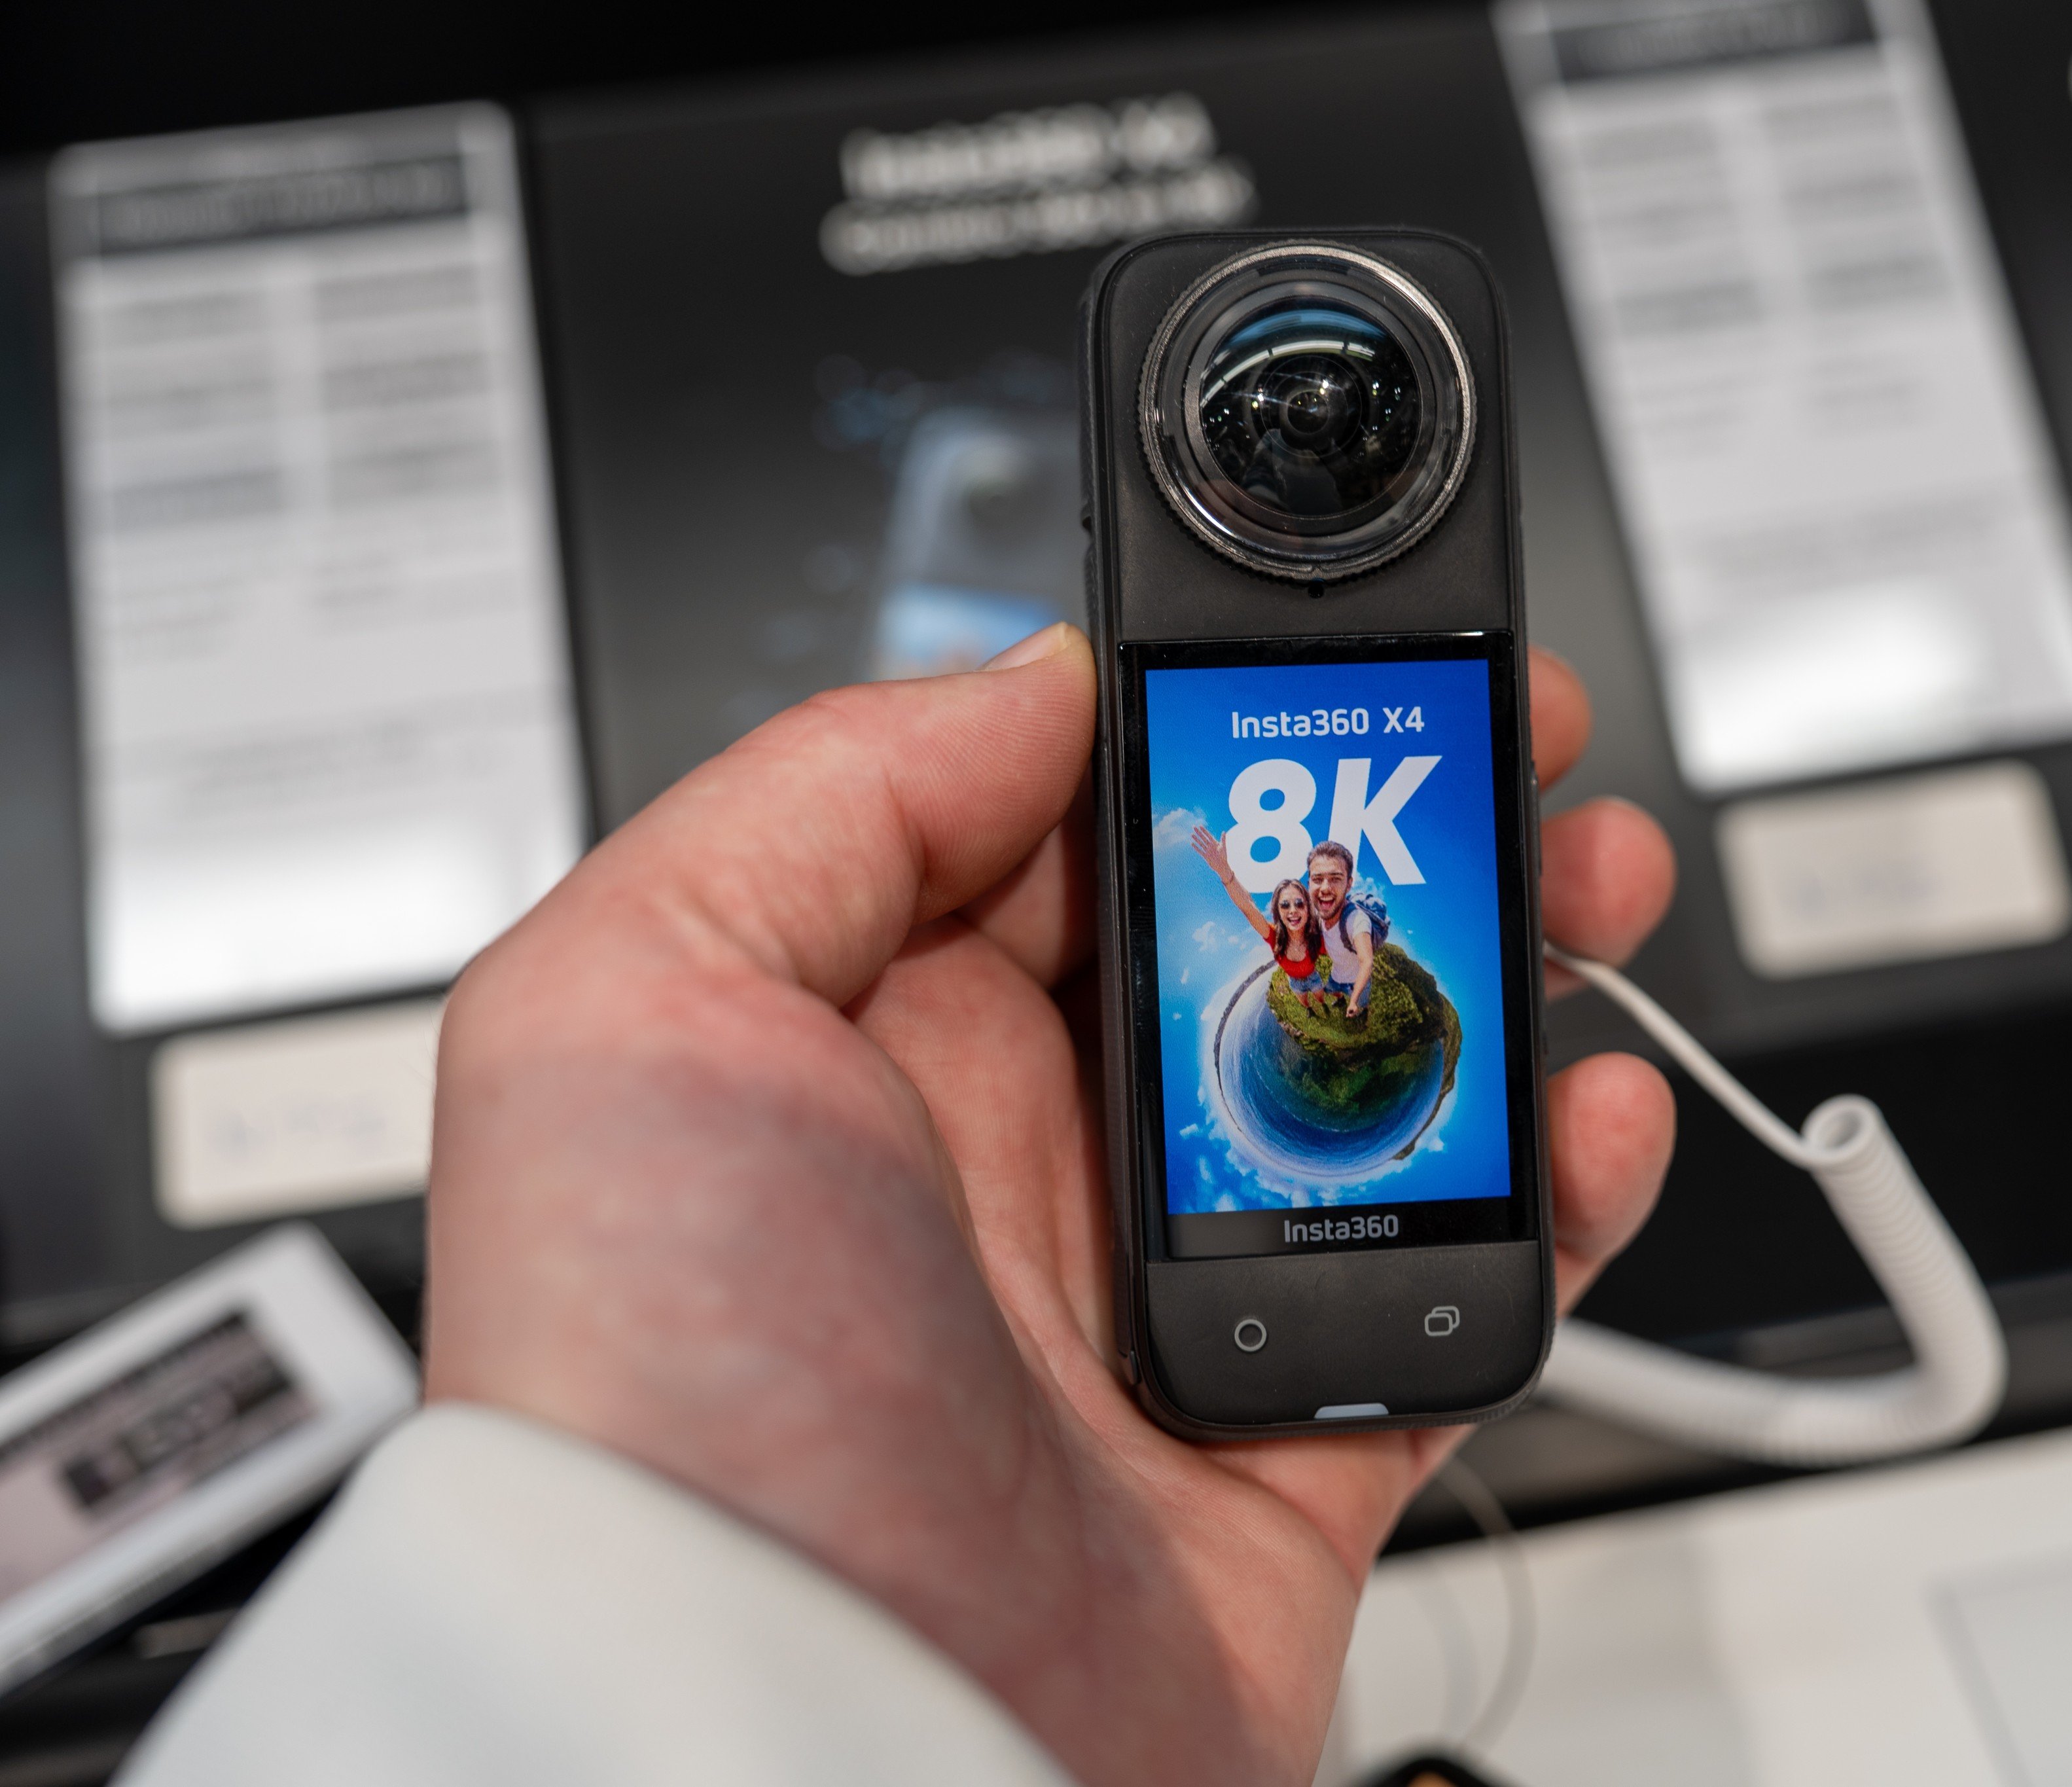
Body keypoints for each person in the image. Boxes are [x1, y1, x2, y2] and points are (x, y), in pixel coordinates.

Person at [118, 624, 1677, 1787]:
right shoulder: (1298, 941)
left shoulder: (1351, 961)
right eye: (1314, 884)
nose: (1321, 894)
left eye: (1336, 885)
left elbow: (1327, 960)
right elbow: (1240, 895)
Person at [1187, 836, 1338, 1011]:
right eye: (1285, 905)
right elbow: (1248, 908)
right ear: (1278, 912)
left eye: (1299, 904)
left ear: (1308, 909)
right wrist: (1224, 872)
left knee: (1319, 996)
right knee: (1304, 1002)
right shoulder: (1274, 937)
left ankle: (1322, 1007)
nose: (1293, 911)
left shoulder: (1316, 938)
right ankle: (1310, 1011)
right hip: (1295, 981)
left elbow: (1344, 947)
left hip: (1313, 976)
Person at [1305, 840, 1378, 1019]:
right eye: (1317, 879)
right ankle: (1341, 1000)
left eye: (1336, 879)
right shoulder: (1318, 912)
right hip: (1337, 975)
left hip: (1357, 983)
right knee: (1332, 991)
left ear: (1349, 884)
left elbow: (1367, 961)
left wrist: (1354, 1000)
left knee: (1361, 1005)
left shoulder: (1357, 920)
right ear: (1309, 883)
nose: (1325, 888)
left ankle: (1362, 1010)